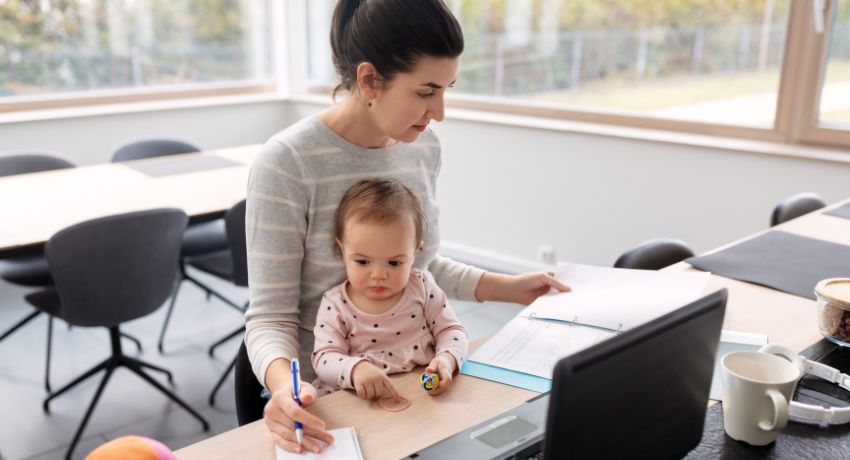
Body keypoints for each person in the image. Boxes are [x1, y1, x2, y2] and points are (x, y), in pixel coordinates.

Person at [245, 0, 570, 454]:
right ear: (369, 80)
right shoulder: (287, 163)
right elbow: (269, 317)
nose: (439, 110)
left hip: (416, 382)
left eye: (446, 89)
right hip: (326, 394)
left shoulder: (422, 148)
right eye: (425, 91)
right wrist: (284, 387)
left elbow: (423, 264)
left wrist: (509, 288)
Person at [312, 178, 468, 400]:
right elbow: (324, 358)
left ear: (415, 252)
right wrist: (355, 369)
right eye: (363, 262)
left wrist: (447, 359)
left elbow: (452, 331)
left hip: (420, 395)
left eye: (394, 263)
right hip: (357, 399)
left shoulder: (422, 287)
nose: (378, 275)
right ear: (342, 249)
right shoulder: (335, 303)